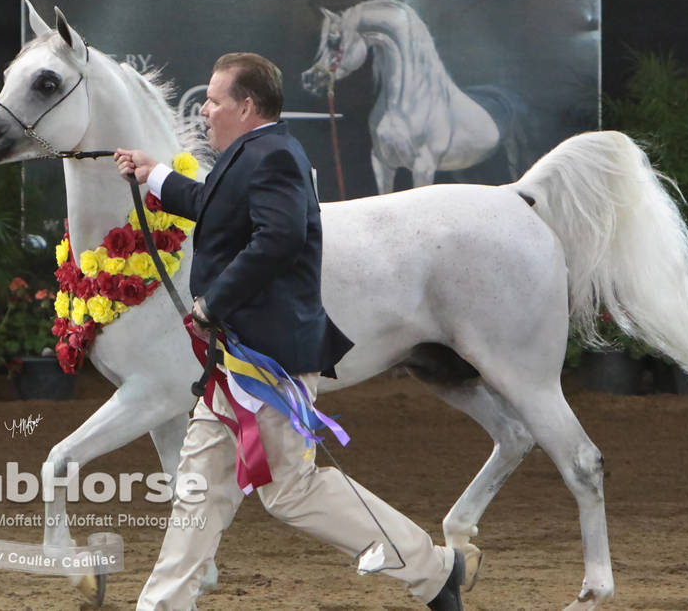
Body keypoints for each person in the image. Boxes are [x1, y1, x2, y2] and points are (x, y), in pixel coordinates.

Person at [115, 52, 463, 611]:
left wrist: (213, 303)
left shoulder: (273, 155)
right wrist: (153, 174)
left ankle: (432, 567)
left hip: (267, 359)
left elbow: (278, 240)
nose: (204, 110)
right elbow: (211, 206)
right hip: (237, 361)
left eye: (214, 101)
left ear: (246, 106)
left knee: (291, 492)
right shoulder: (254, 152)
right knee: (200, 488)